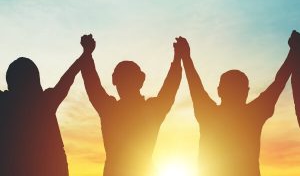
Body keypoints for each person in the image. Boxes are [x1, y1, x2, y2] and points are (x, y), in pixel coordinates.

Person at [176, 31, 300, 176]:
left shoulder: (208, 114)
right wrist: (294, 52)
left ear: (219, 91)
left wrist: (185, 56)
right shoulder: (254, 114)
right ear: (246, 91)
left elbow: (194, 84)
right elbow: (279, 82)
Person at [80, 36, 182, 176]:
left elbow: (92, 85)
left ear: (114, 80)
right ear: (141, 80)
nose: (124, 83)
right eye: (123, 78)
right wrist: (178, 59)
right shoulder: (151, 110)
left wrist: (87, 54)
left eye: (125, 78)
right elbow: (170, 88)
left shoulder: (110, 110)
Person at [0, 35, 93, 176]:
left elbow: (67, 79)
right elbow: (67, 79)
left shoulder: (5, 103)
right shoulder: (45, 102)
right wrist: (86, 53)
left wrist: (85, 54)